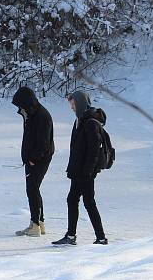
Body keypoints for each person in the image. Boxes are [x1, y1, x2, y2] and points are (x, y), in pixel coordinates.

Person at [53, 91, 108, 245]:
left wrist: (88, 172)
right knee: (72, 199)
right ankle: (71, 236)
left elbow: (93, 150)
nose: (71, 107)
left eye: (73, 104)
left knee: (89, 202)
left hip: (85, 172)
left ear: (80, 103)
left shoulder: (90, 123)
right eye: (70, 104)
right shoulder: (79, 121)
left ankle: (101, 238)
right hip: (78, 170)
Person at [11, 86, 54, 237]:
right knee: (33, 189)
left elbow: (43, 142)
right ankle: (39, 223)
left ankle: (35, 225)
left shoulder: (41, 116)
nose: (19, 109)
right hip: (33, 159)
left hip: (38, 160)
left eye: (20, 106)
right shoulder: (31, 114)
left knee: (32, 189)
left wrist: (34, 159)